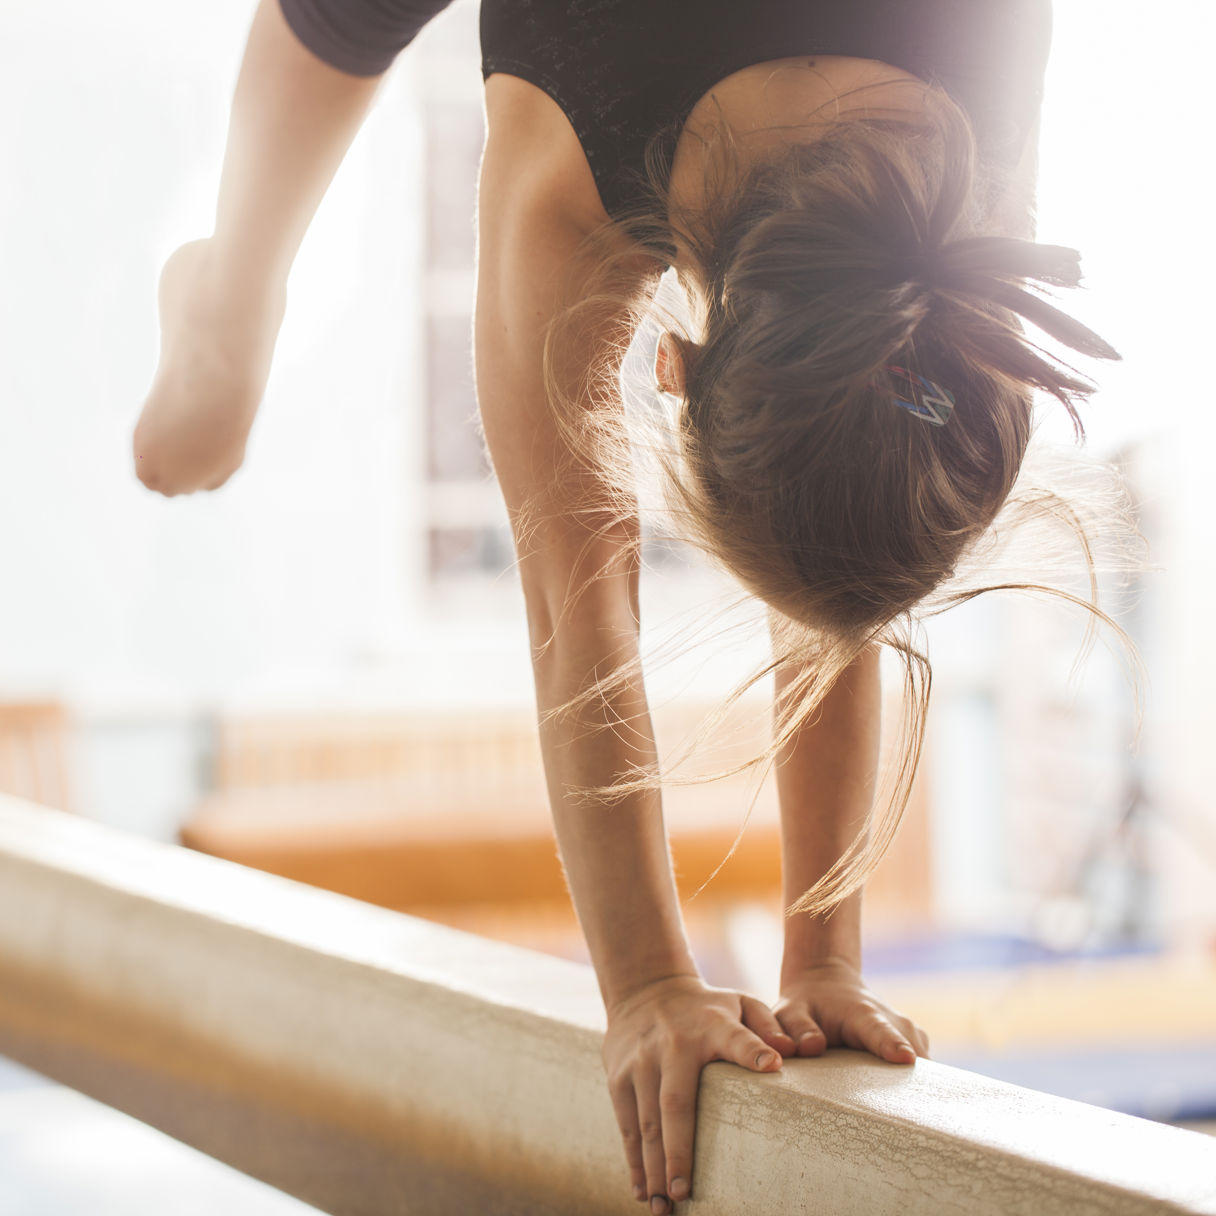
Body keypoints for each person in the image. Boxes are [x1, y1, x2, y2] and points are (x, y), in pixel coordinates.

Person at [133, 2, 1122, 1211]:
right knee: (203, 405)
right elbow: (575, 606)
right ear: (672, 368)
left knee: (836, 449)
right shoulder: (567, 174)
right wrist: (647, 982)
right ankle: (230, 304)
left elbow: (854, 498)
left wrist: (824, 957)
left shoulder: (970, 202)